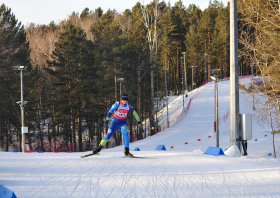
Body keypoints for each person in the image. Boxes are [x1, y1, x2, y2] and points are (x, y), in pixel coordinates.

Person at [92, 93, 143, 157]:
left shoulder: (128, 106)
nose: (125, 101)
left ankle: (126, 152)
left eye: (127, 100)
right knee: (108, 136)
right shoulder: (117, 104)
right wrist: (107, 120)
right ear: (121, 99)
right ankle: (98, 149)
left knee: (126, 137)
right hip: (114, 123)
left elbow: (135, 113)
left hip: (122, 124)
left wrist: (139, 122)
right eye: (124, 99)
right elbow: (110, 112)